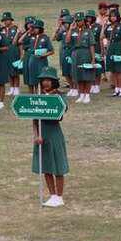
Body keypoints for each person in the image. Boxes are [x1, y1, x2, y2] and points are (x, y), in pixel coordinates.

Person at [32, 67, 69, 207]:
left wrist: (51, 97)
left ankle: (59, 197)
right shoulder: (37, 96)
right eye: (43, 80)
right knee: (46, 166)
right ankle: (52, 195)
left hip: (54, 133)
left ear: (54, 82)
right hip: (42, 135)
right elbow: (34, 120)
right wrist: (36, 136)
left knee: (58, 166)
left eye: (49, 80)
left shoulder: (59, 96)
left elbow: (61, 113)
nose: (45, 83)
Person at [66, 12, 96, 103]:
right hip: (76, 53)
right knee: (78, 75)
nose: (79, 22)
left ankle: (87, 95)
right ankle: (81, 95)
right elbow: (67, 41)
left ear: (84, 21)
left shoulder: (88, 31)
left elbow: (91, 45)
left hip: (86, 52)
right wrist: (70, 29)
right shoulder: (73, 31)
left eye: (80, 20)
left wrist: (93, 58)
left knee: (86, 75)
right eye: (77, 20)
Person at [103, 8, 121, 97]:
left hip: (119, 48)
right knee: (113, 70)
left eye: (114, 16)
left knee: (119, 70)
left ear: (117, 17)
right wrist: (104, 25)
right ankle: (116, 89)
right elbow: (102, 36)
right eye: (111, 16)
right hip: (111, 48)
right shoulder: (108, 26)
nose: (112, 18)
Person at [24, 19, 53, 93]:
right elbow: (20, 41)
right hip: (32, 60)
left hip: (42, 61)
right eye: (34, 28)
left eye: (36, 28)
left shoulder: (45, 38)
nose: (35, 29)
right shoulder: (31, 37)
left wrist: (43, 55)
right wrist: (28, 31)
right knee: (32, 79)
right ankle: (32, 95)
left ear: (40, 28)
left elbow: (51, 51)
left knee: (42, 78)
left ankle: (41, 94)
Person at [1, 12, 21, 96]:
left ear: (11, 20)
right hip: (5, 51)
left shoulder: (15, 28)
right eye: (4, 20)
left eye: (7, 20)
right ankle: (11, 88)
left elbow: (19, 43)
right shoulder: (2, 29)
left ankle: (16, 88)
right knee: (8, 70)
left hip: (14, 50)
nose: (6, 22)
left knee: (15, 70)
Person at [55, 13, 75, 97]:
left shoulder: (74, 32)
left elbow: (69, 41)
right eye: (64, 23)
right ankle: (71, 87)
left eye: (66, 23)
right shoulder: (63, 31)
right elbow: (56, 38)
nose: (65, 25)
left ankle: (75, 88)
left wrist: (70, 29)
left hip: (71, 52)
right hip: (64, 52)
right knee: (66, 72)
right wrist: (58, 27)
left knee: (72, 72)